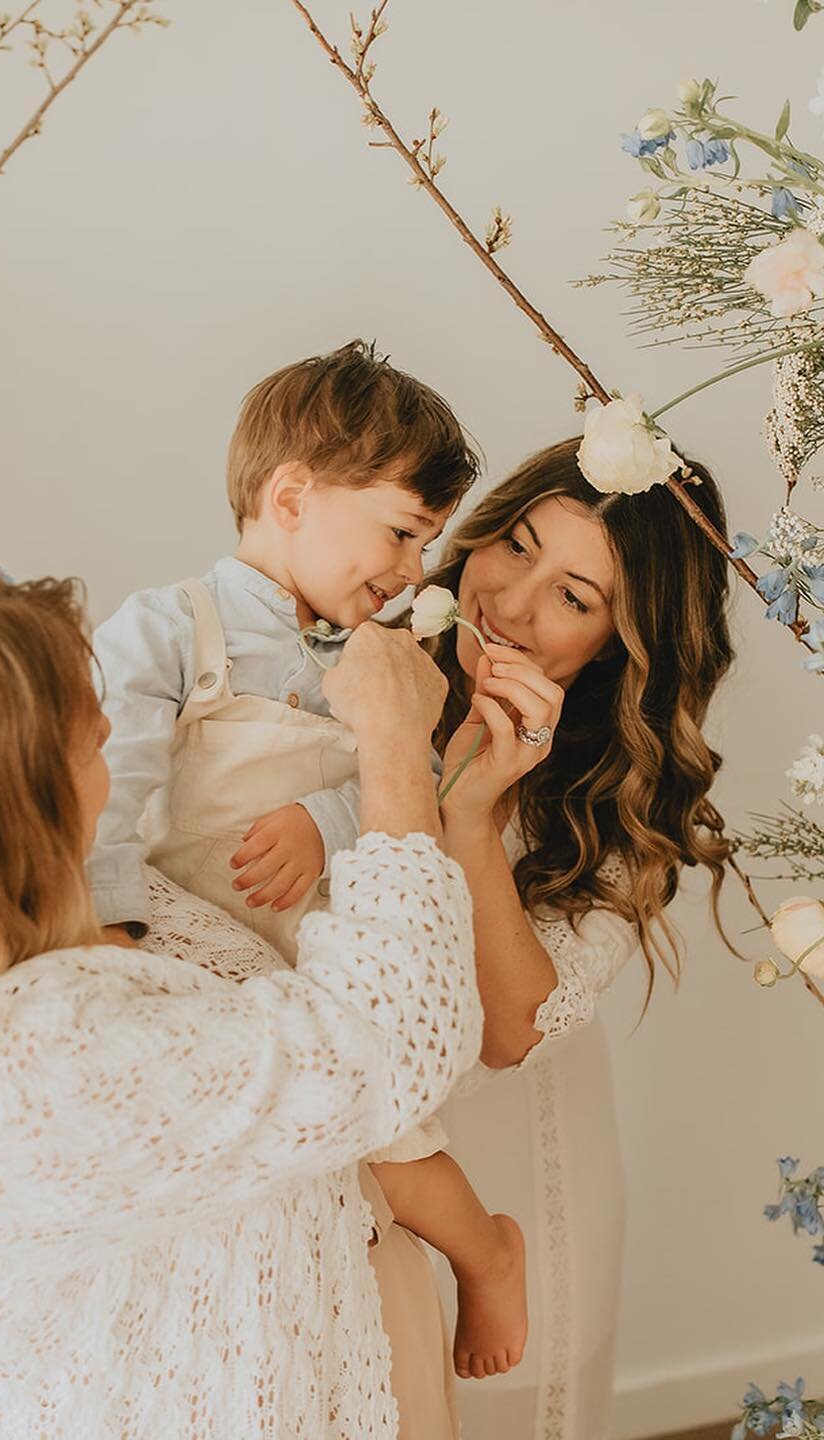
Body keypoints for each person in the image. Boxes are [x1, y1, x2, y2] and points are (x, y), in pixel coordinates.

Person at [0, 573, 480, 1439]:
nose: (114, 730)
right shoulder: (15, 1071)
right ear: (4, 806)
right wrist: (390, 741)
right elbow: (390, 1043)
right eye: (87, 734)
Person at [88, 342, 526, 1382]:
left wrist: (321, 821)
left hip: (318, 956)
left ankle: (485, 1252)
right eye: (402, 532)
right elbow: (106, 786)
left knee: (392, 1150)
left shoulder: (377, 652)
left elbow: (406, 775)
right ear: (291, 495)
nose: (414, 571)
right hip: (188, 957)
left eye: (426, 545)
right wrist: (107, 930)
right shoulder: (173, 628)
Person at [419, 438, 734, 1438]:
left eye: (573, 597)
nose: (509, 604)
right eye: (515, 545)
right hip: (346, 1149)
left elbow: (512, 1035)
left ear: (619, 643)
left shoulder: (613, 803)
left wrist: (473, 817)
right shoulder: (356, 650)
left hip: (510, 1156)